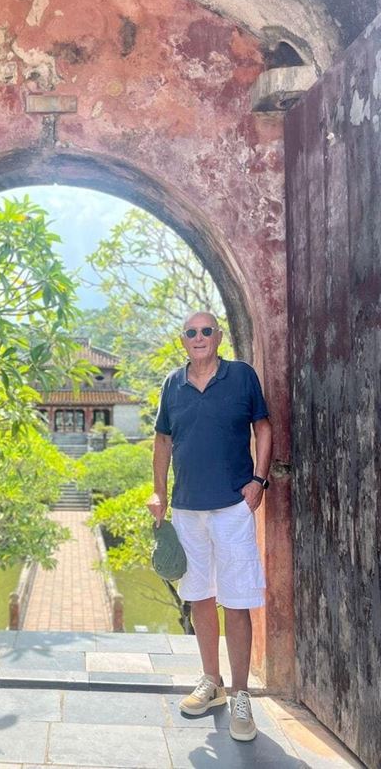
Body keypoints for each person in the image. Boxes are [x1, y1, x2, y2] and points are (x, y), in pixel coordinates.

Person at [147, 311, 272, 742]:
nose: (198, 337)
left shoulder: (241, 376)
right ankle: (211, 682)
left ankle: (240, 694)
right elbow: (163, 440)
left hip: (233, 507)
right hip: (187, 510)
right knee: (200, 596)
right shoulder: (172, 384)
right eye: (191, 332)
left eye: (206, 331)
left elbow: (263, 427)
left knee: (236, 601)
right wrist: (159, 493)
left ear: (218, 336)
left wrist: (259, 480)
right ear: (183, 340)